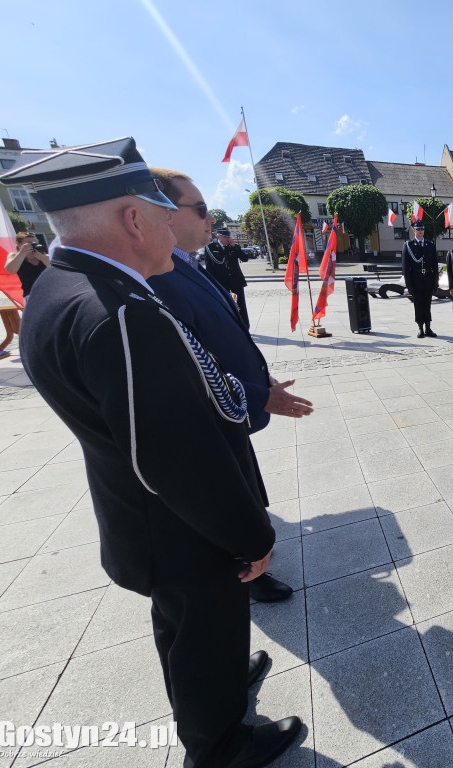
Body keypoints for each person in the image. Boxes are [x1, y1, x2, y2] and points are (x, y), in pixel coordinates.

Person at [0, 138, 302, 768]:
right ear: (134, 220)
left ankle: (210, 687)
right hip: (180, 528)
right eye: (163, 213)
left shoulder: (60, 286)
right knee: (201, 624)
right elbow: (175, 457)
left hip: (142, 520)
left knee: (188, 631)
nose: (174, 225)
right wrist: (250, 534)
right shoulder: (123, 313)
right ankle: (221, 746)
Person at [148, 167, 311, 604]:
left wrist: (263, 379)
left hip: (234, 406)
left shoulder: (185, 262)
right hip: (214, 416)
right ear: (163, 213)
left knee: (244, 484)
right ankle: (244, 571)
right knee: (228, 490)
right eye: (200, 209)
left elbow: (223, 336)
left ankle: (249, 555)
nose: (210, 219)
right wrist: (260, 396)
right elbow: (195, 365)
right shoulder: (158, 276)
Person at [205, 227, 251, 328]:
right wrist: (212, 283)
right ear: (218, 236)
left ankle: (244, 326)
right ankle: (229, 325)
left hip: (236, 281)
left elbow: (245, 259)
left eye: (228, 237)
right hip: (221, 282)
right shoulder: (211, 248)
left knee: (240, 305)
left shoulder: (233, 246)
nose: (227, 239)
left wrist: (234, 247)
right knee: (225, 305)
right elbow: (209, 267)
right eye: (225, 237)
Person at [401, 221, 439, 338]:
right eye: (418, 230)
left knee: (427, 304)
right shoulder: (409, 246)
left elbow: (434, 266)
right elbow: (406, 268)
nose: (420, 231)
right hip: (416, 279)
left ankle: (428, 328)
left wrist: (435, 283)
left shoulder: (430, 245)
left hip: (427, 278)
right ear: (414, 231)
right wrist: (409, 285)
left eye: (422, 229)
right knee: (418, 305)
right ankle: (420, 328)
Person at [4, 232, 50, 299]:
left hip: (49, 293)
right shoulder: (14, 256)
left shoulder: (45, 256)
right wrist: (22, 253)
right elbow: (10, 270)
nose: (32, 245)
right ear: (19, 244)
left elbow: (57, 270)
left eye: (35, 243)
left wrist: (43, 258)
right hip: (30, 295)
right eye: (29, 244)